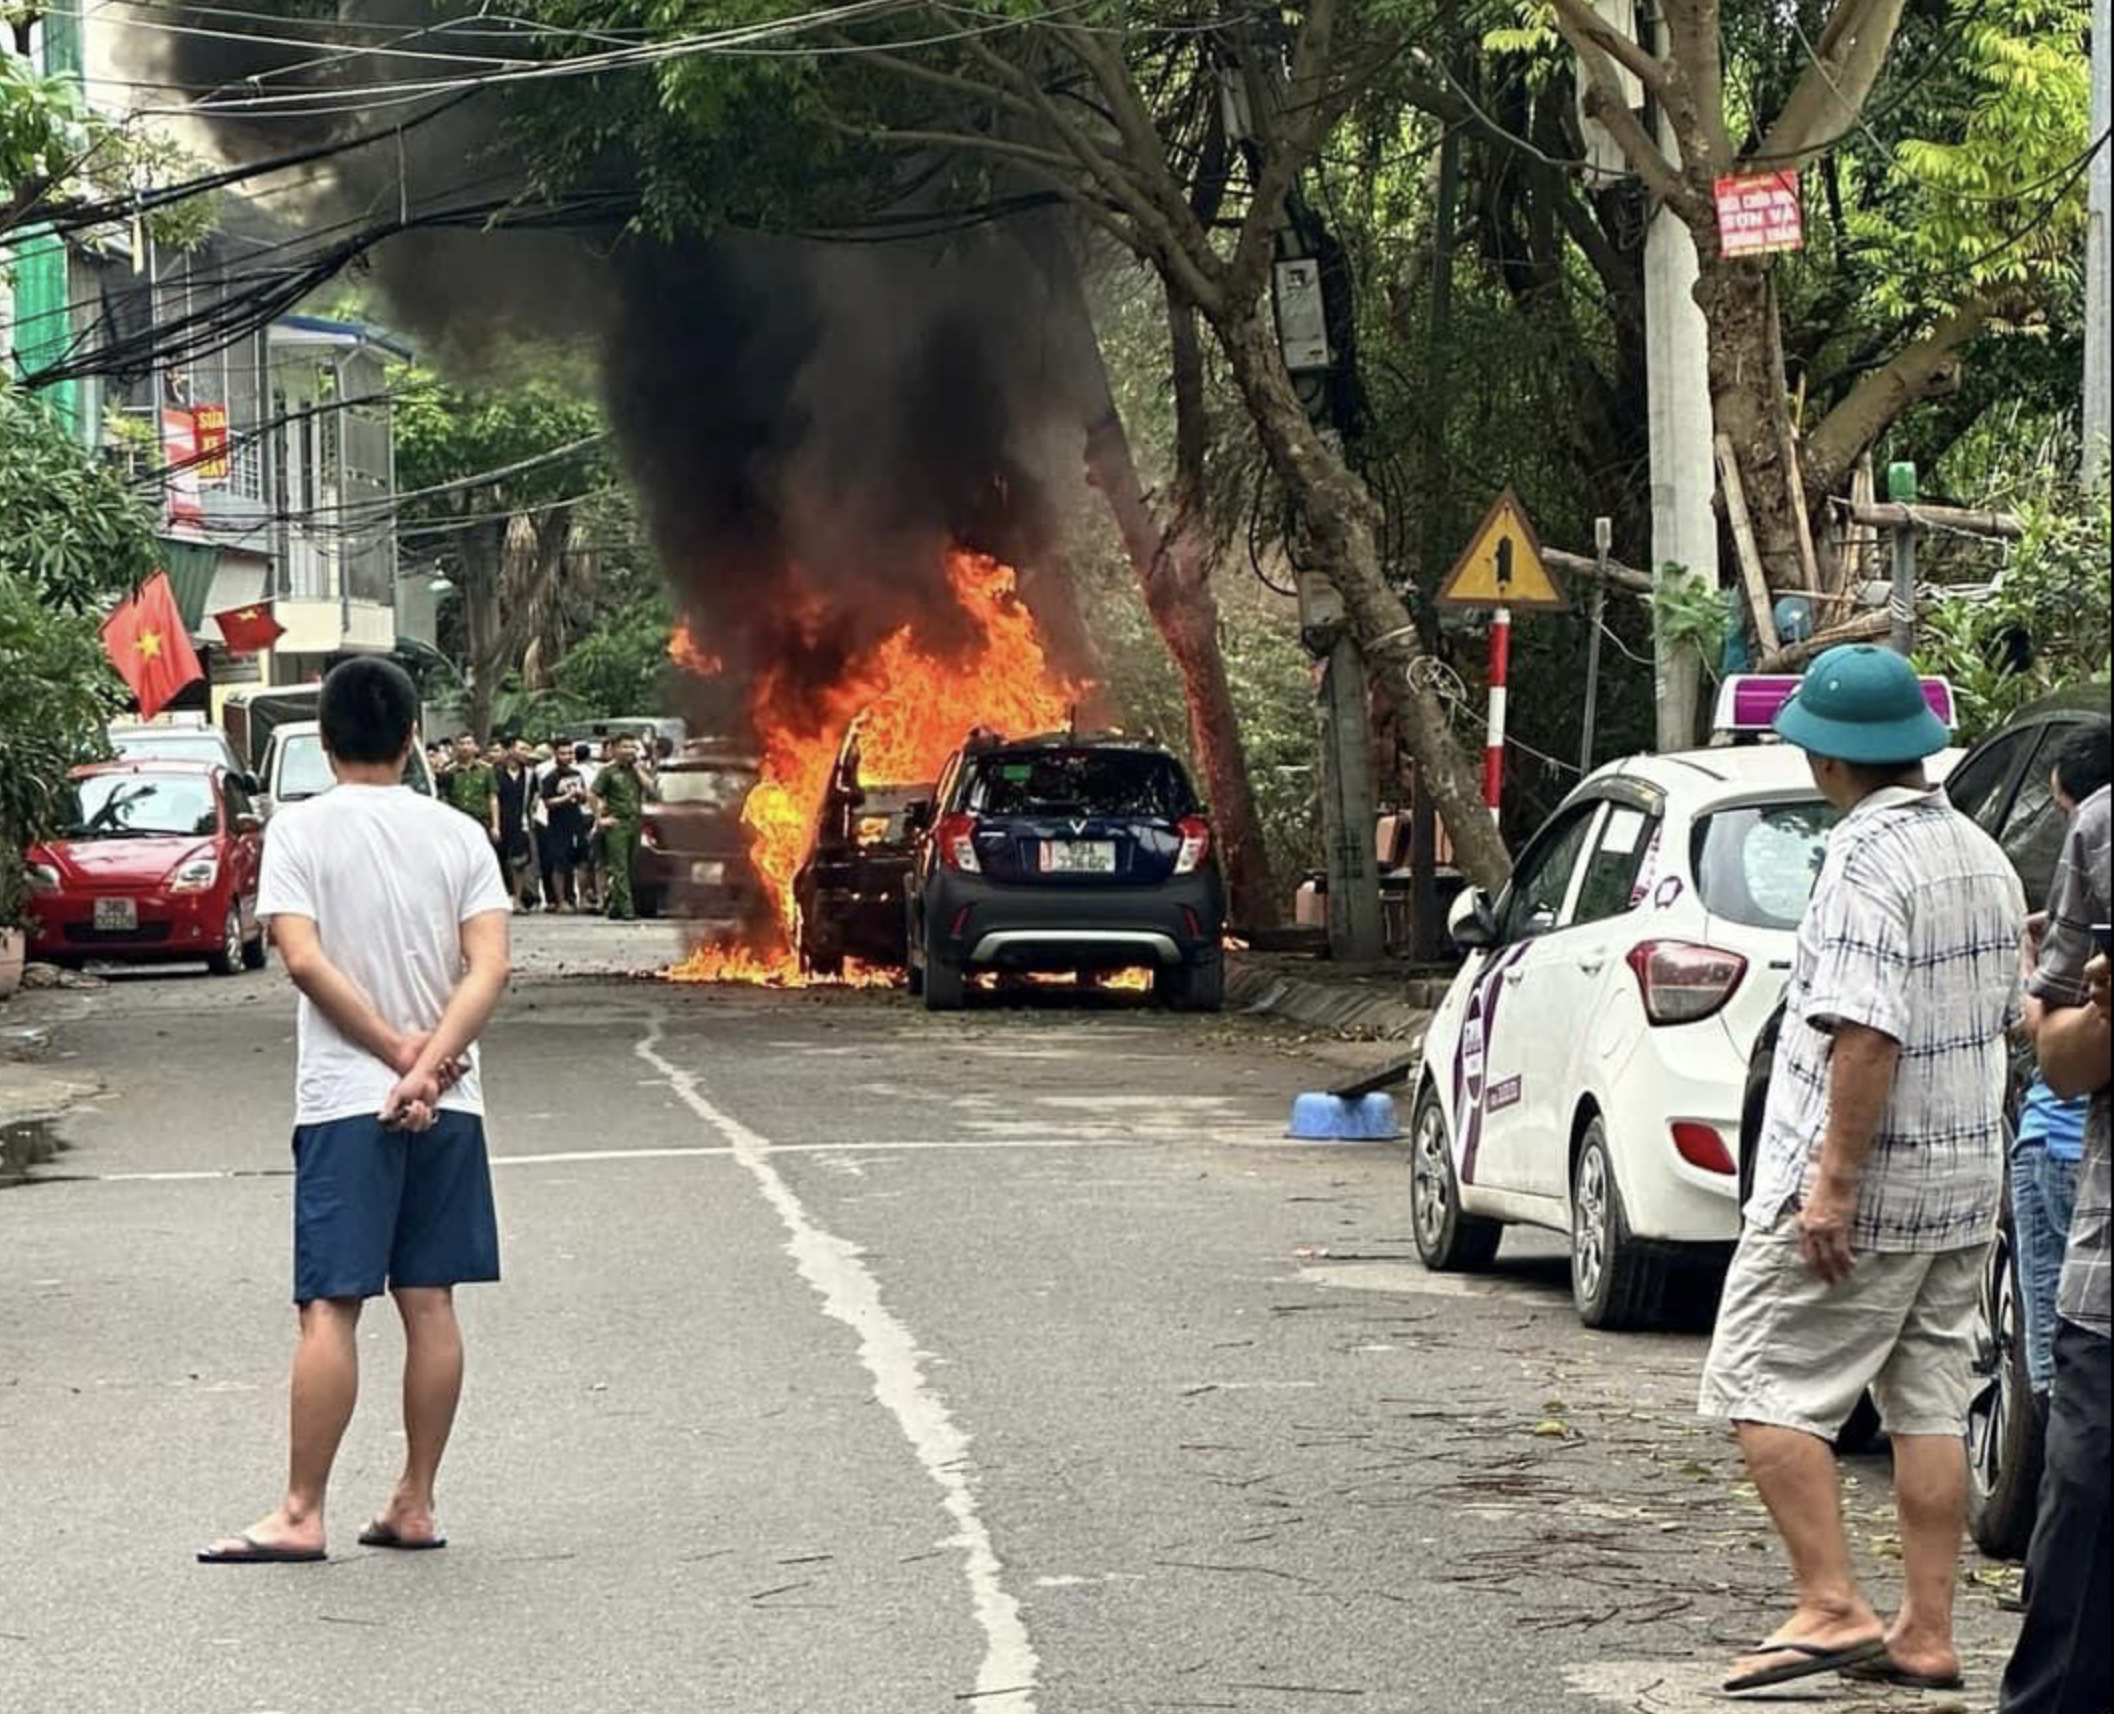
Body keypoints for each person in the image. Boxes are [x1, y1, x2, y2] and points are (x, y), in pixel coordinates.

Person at [1698, 645, 2026, 1695]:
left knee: (1759, 1382)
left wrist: (1829, 1182)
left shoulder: (1859, 857)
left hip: (1866, 1186)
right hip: (1963, 1179)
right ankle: (1924, 1631)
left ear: (1826, 755)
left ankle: (1829, 1602)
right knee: (1925, 1404)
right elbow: (2004, 1017)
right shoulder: (1981, 852)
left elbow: (1865, 1032)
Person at [198, 657, 511, 1565]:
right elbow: (488, 964)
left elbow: (299, 957)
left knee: (331, 1307)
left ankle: (301, 1512)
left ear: (326, 742)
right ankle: (415, 1500)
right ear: (413, 737)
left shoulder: (300, 832)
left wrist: (391, 1057)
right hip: (452, 1102)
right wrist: (432, 1065)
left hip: (346, 1103)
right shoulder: (459, 835)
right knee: (430, 1299)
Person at [1999, 782, 2111, 1714]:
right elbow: (2059, 1060)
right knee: (2077, 1555)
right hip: (2107, 1290)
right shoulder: (2102, 827)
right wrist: (2101, 1020)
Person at [2012, 722, 2112, 1399]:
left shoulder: (2091, 844)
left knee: (2051, 1352)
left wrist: (2031, 963)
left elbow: (2035, 1026)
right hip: (2084, 1142)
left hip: (2055, 1137)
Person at [590, 734, 649, 922]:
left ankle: (614, 906)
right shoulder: (608, 772)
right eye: (625, 747)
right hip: (618, 823)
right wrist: (600, 819)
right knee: (619, 868)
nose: (629, 750)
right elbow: (593, 794)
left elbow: (651, 788)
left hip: (636, 822)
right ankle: (627, 910)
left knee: (632, 867)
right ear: (614, 749)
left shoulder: (637, 771)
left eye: (633, 747)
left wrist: (637, 768)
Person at [537, 743, 590, 912]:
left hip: (576, 820)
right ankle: (561, 901)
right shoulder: (551, 777)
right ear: (556, 755)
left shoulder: (577, 774)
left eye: (569, 753)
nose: (567, 757)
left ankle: (582, 899)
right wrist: (567, 797)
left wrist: (581, 796)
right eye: (563, 753)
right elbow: (548, 802)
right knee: (559, 863)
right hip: (558, 824)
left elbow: (584, 798)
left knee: (582, 860)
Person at [494, 738, 540, 911]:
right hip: (500, 822)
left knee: (519, 863)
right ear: (511, 750)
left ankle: (518, 898)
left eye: (528, 750)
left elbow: (534, 800)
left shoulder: (530, 775)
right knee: (498, 861)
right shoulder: (495, 772)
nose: (526, 753)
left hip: (521, 823)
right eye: (522, 749)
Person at [442, 732, 496, 839]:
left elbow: (492, 798)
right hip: (458, 821)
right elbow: (444, 799)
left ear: (475, 747)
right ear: (456, 747)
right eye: (461, 744)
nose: (465, 747)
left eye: (468, 743)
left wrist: (495, 826)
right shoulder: (448, 771)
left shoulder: (486, 770)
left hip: (481, 820)